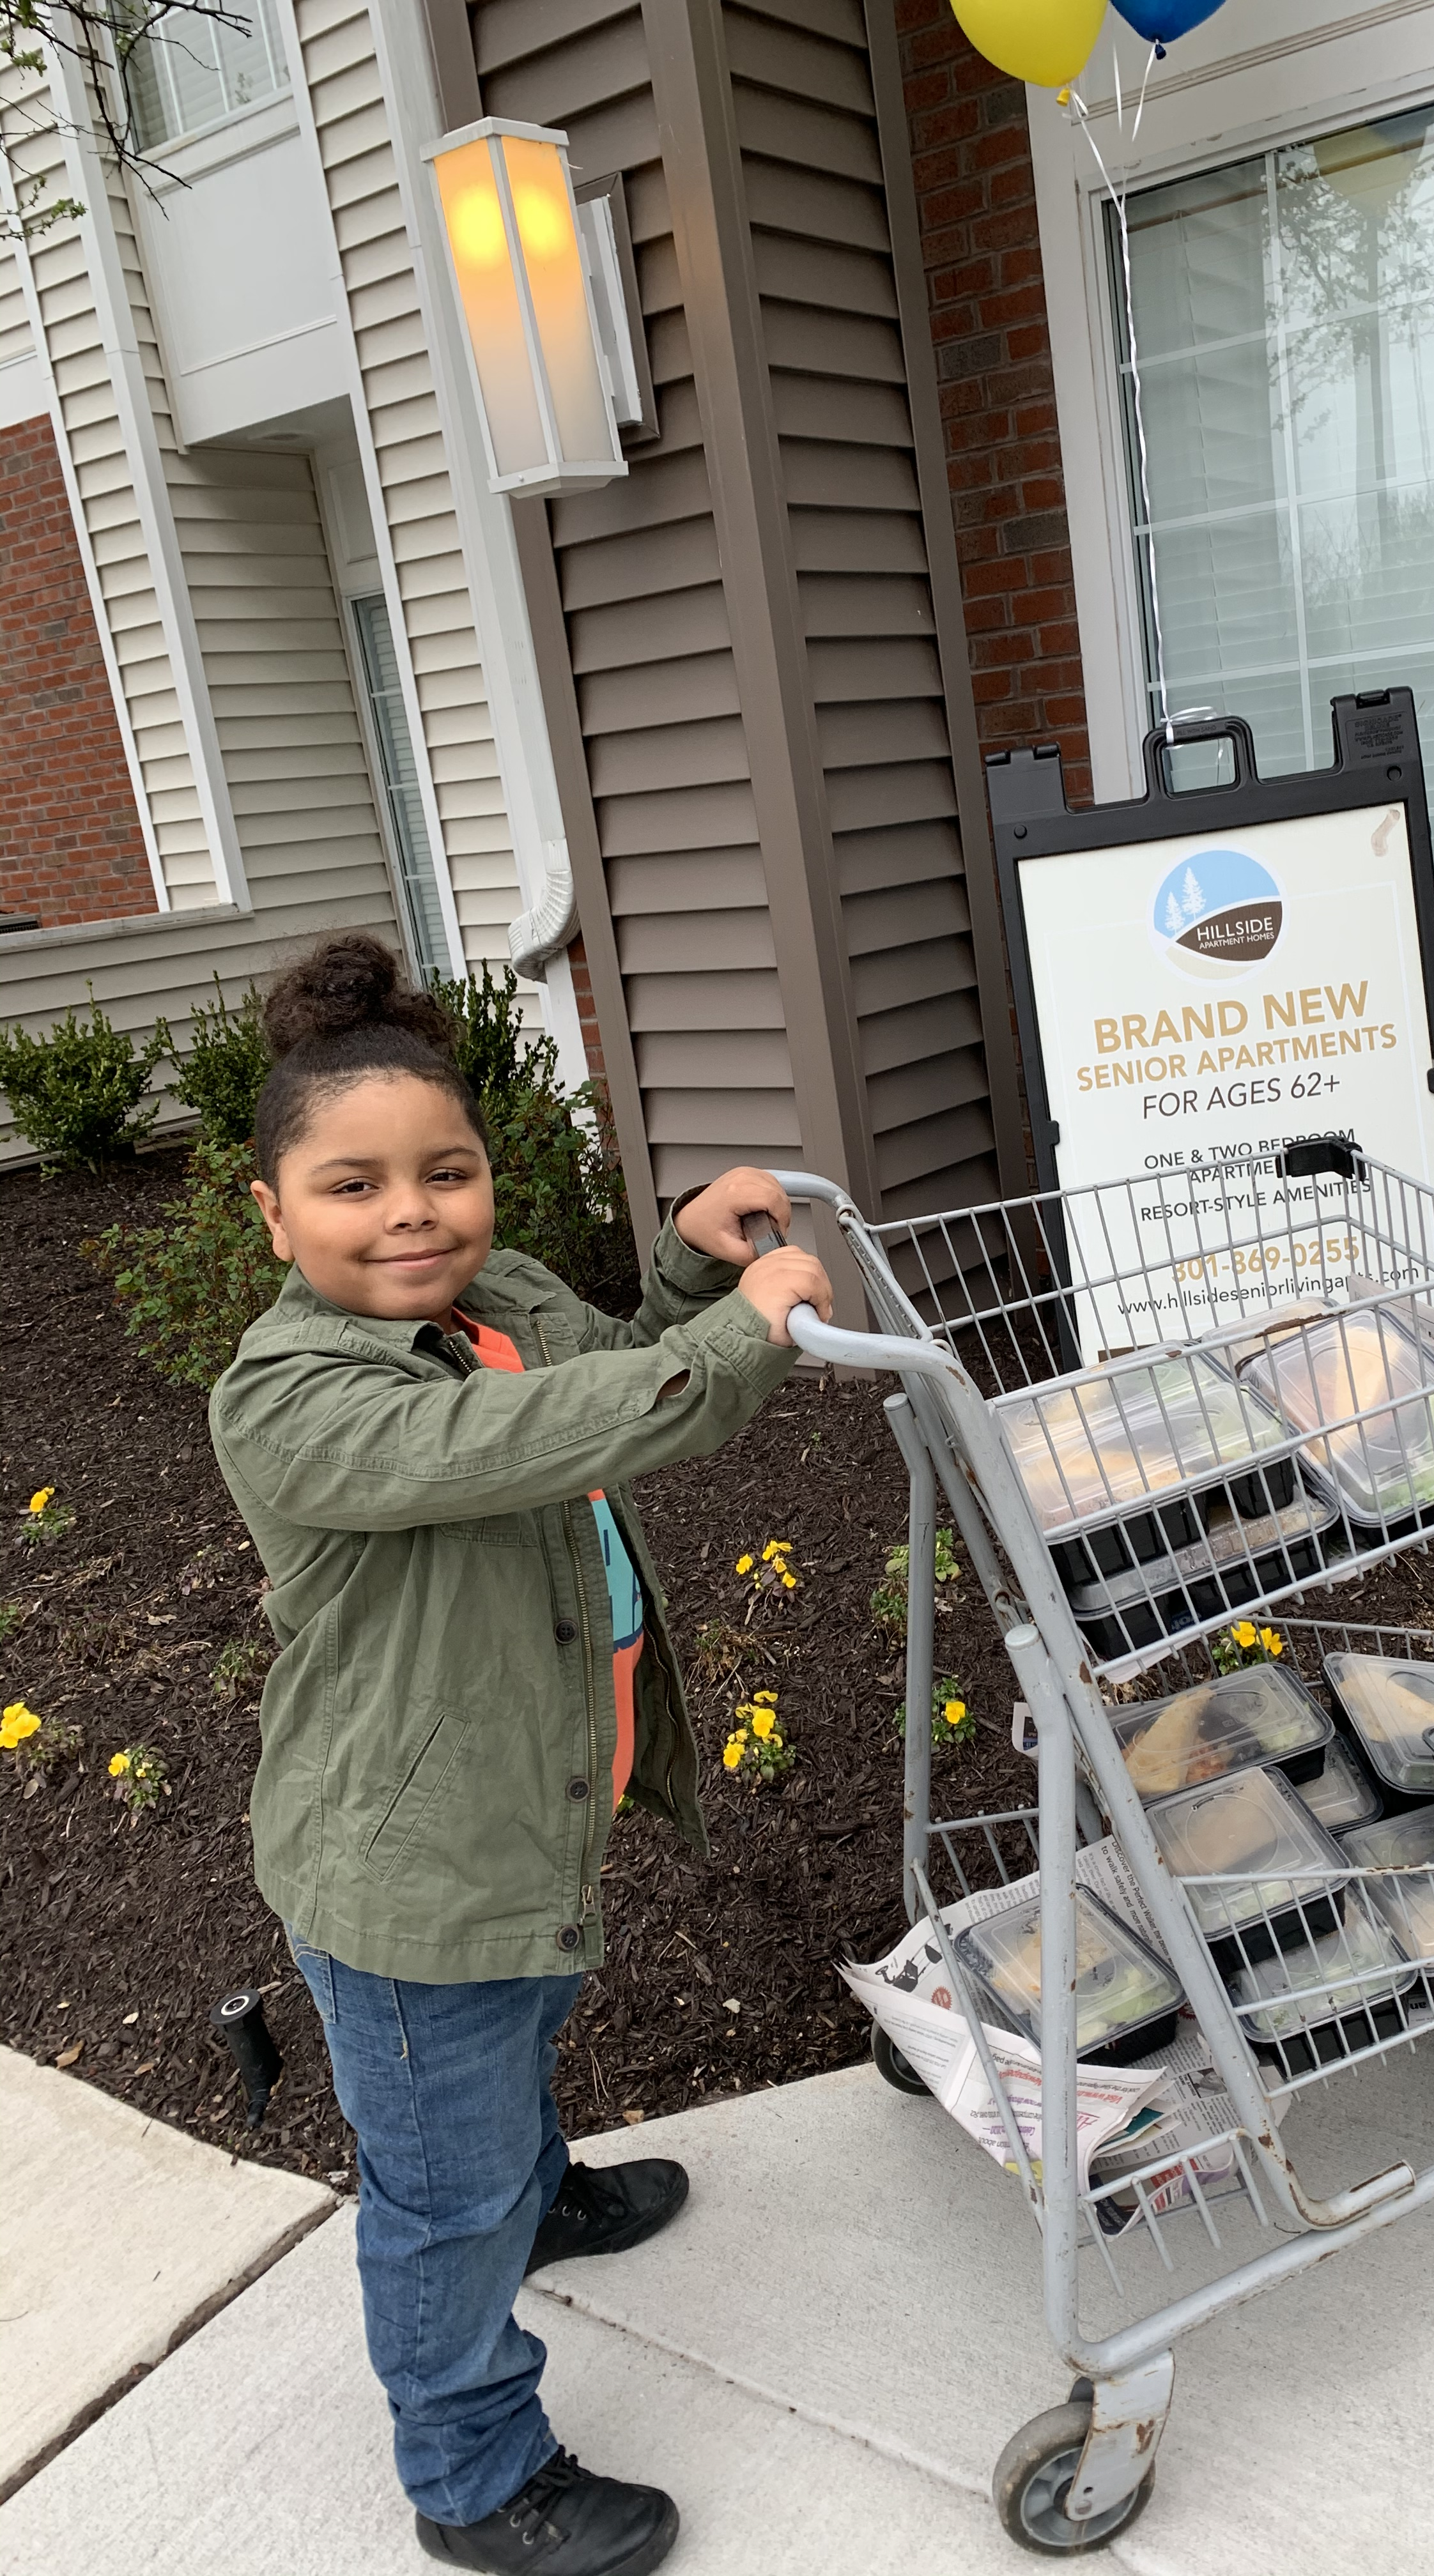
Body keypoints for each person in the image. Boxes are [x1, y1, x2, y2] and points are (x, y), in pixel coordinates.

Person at [208, 934, 832, 2576]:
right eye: (353, 1186)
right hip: (409, 1871)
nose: (411, 1212)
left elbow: (606, 1361)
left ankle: (537, 2195)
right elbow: (543, 1436)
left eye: (447, 1172)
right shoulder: (289, 1400)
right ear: (273, 1215)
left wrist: (694, 1277)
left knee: (513, 2047)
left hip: (522, 1811)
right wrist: (741, 1342)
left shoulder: (499, 1302)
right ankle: (475, 2476)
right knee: (437, 2189)